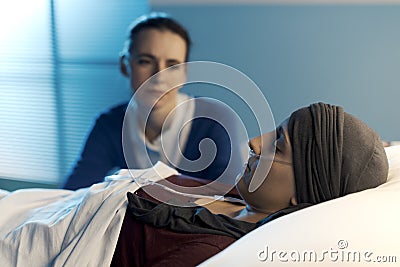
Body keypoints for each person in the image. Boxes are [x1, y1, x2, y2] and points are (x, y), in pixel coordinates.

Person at [111, 102, 389, 266]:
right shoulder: (236, 195)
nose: (254, 142)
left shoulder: (210, 252)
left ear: (303, 192)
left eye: (278, 147)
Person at [62, 12, 246, 190]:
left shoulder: (216, 119)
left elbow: (232, 199)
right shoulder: (110, 124)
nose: (159, 77)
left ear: (185, 73)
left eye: (172, 65)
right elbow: (72, 194)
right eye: (145, 61)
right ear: (125, 66)